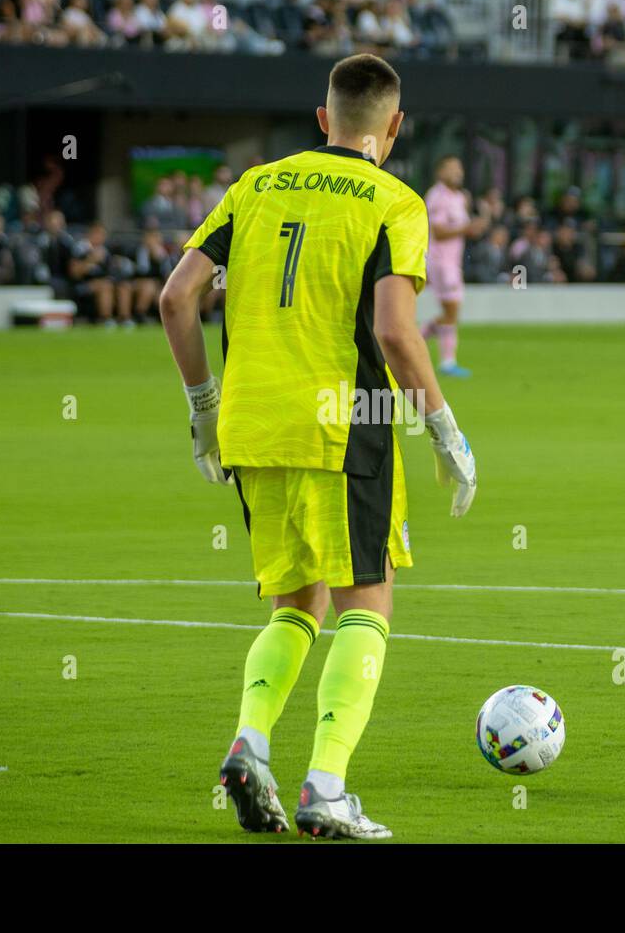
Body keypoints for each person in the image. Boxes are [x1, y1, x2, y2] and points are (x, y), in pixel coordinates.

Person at [158, 54, 477, 841]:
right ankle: (326, 787)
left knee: (295, 601)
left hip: (251, 423)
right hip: (343, 424)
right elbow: (397, 333)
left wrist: (203, 409)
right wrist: (444, 428)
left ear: (322, 117)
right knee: (366, 600)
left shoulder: (256, 183)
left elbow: (175, 298)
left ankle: (250, 745)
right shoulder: (394, 201)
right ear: (394, 126)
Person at [419, 156, 488, 377]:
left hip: (453, 261)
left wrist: (484, 216)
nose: (457, 172)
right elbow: (439, 231)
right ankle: (446, 361)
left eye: (459, 168)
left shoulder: (459, 197)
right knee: (452, 310)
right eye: (451, 168)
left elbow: (468, 230)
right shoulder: (437, 196)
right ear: (440, 172)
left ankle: (418, 341)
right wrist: (466, 228)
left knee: (451, 311)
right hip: (440, 261)